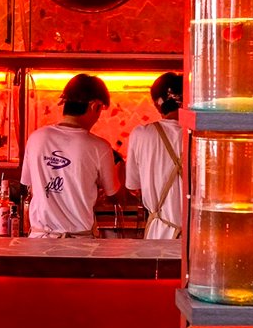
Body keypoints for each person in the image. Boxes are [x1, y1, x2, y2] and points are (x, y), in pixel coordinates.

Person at [21, 72, 120, 238]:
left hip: (39, 241)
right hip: (79, 243)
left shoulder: (36, 138)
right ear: (95, 106)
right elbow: (114, 196)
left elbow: (30, 187)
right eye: (101, 109)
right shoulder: (99, 147)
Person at [126, 72, 184, 239]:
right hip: (195, 235)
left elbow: (133, 186)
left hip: (159, 235)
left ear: (157, 104)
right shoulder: (202, 136)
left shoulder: (141, 134)